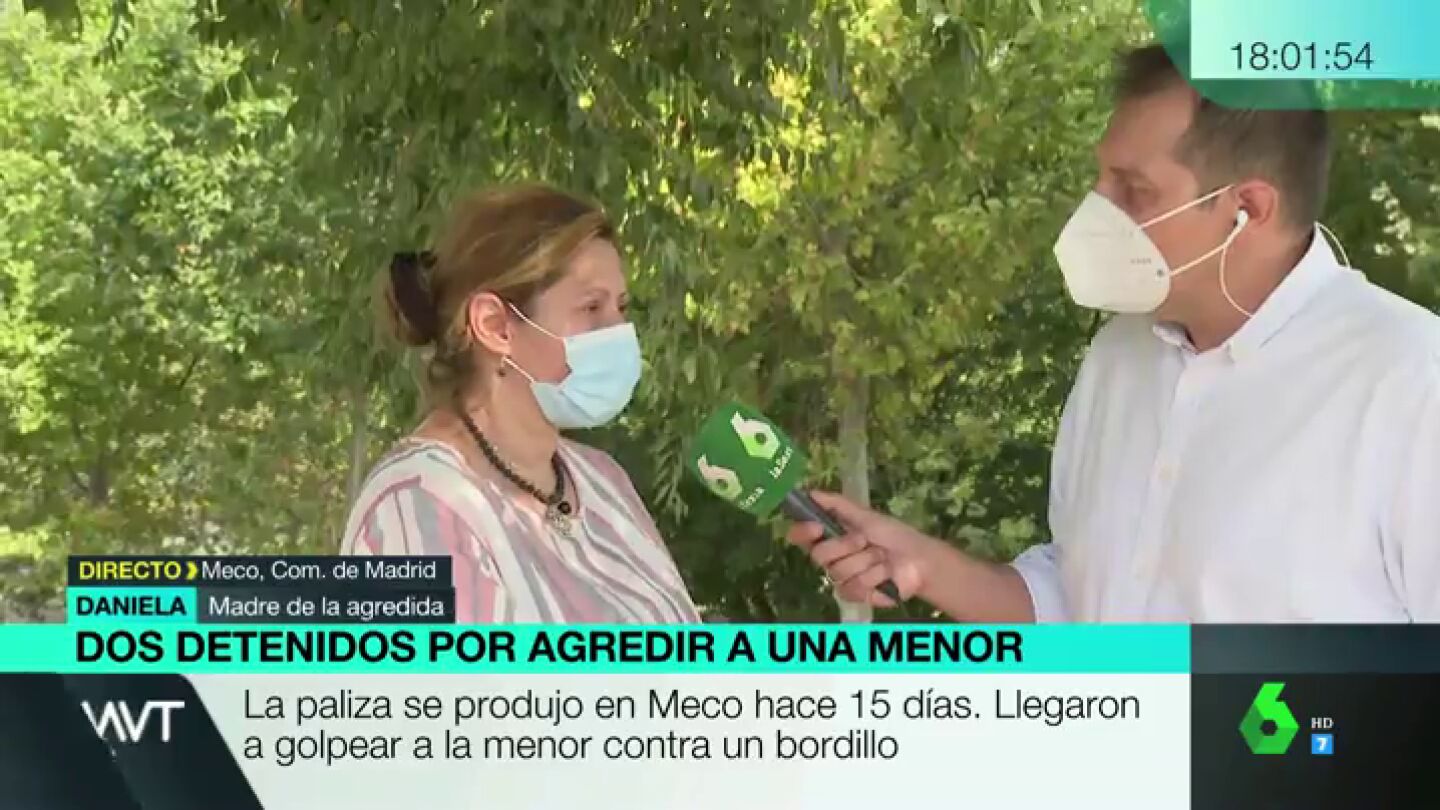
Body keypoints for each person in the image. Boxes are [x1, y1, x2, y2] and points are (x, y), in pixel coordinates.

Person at [788, 44, 1440, 623]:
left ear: (1248, 209)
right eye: (1102, 179)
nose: (1097, 209)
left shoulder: (1412, 385)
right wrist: (926, 566)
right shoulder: (1121, 355)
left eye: (1133, 190)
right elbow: (1083, 603)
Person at [340, 183, 700, 624]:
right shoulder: (417, 509)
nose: (619, 331)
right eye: (591, 307)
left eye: (621, 308)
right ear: (495, 326)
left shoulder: (603, 481)